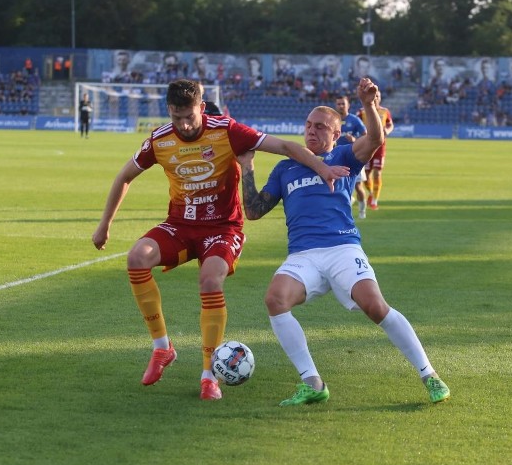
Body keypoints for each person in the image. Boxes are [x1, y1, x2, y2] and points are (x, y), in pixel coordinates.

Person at [92, 79, 348, 400]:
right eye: (176, 117)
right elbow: (124, 177)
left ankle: (207, 374)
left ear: (201, 107)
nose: (183, 125)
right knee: (136, 258)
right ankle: (162, 348)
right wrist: (104, 225)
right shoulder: (160, 139)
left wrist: (322, 168)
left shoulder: (227, 130)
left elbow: (284, 147)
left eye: (189, 116)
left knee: (210, 278)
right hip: (181, 225)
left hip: (223, 228)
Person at [236, 77, 450, 406]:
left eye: (321, 127)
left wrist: (368, 104)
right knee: (275, 299)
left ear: (336, 134)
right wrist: (247, 167)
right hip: (303, 255)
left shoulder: (345, 157)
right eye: (308, 125)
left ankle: (429, 375)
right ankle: (312, 382)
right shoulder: (285, 168)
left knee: (375, 306)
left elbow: (375, 138)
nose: (311, 131)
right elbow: (253, 210)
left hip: (342, 248)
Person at [357, 91, 394, 210]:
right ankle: (372, 194)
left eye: (378, 96)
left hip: (380, 146)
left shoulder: (385, 111)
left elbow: (390, 124)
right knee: (366, 175)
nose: (376, 98)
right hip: (367, 145)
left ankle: (374, 201)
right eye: (374, 96)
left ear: (380, 98)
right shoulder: (362, 112)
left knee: (377, 173)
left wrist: (387, 130)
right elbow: (355, 125)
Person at [334, 94, 368, 218]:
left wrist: (355, 139)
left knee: (358, 186)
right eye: (338, 104)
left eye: (343, 103)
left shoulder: (354, 120)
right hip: (337, 157)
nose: (341, 106)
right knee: (335, 185)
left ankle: (362, 211)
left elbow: (366, 136)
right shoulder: (333, 120)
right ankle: (345, 205)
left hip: (355, 157)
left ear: (348, 105)